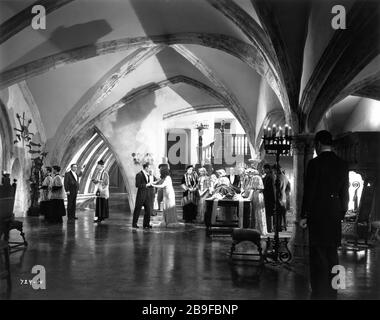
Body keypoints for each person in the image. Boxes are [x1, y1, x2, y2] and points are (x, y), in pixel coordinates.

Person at [300, 130, 349, 300]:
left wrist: (304, 215)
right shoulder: (342, 164)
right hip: (334, 213)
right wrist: (341, 213)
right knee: (332, 252)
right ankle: (334, 288)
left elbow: (310, 192)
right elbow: (345, 193)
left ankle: (319, 289)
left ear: (319, 144)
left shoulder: (314, 163)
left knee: (317, 253)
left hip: (318, 213)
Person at [241, 168, 268, 235]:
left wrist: (245, 193)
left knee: (255, 211)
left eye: (249, 173)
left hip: (255, 195)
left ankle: (256, 228)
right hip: (259, 195)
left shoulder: (254, 178)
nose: (248, 175)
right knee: (259, 212)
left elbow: (250, 188)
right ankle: (260, 228)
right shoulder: (258, 177)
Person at [132, 163, 154, 229]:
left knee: (148, 210)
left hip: (147, 195)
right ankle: (134, 223)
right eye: (149, 167)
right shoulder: (139, 174)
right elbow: (137, 185)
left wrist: (152, 176)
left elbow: (153, 182)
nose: (150, 169)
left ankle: (146, 224)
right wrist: (146, 185)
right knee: (137, 209)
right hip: (141, 195)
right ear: (146, 167)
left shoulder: (149, 174)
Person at [272, 164, 289, 231]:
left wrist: (278, 199)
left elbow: (277, 190)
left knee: (278, 214)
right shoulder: (285, 177)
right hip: (284, 198)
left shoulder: (277, 178)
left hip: (279, 198)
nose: (273, 172)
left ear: (276, 170)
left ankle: (278, 228)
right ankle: (285, 226)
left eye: (273, 170)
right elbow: (288, 189)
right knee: (283, 214)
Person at [262, 164, 275, 232]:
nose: (263, 170)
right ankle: (270, 228)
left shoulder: (269, 176)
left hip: (269, 198)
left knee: (268, 214)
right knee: (269, 214)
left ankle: (269, 228)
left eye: (263, 169)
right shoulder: (269, 176)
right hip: (269, 197)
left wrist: (262, 191)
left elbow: (267, 188)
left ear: (267, 169)